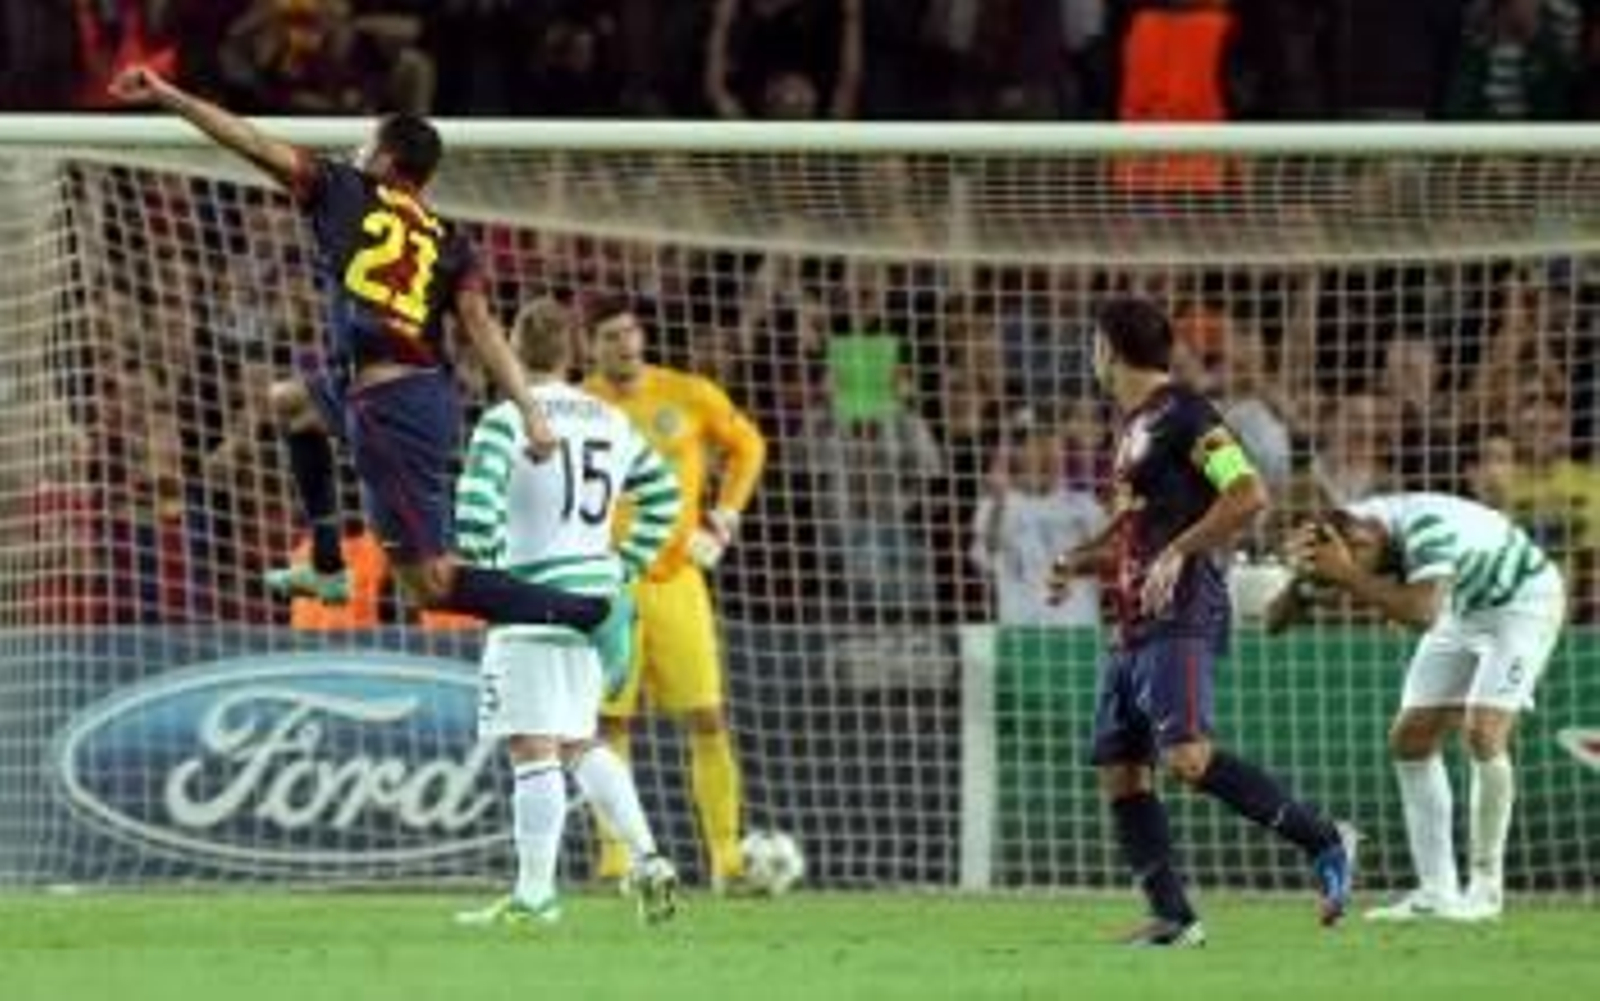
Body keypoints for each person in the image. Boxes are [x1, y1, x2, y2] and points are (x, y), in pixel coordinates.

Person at [108, 66, 609, 634]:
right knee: (291, 403)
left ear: (388, 163)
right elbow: (482, 327)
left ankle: (584, 612)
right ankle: (327, 565)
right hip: (391, 390)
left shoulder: (344, 188)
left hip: (392, 408)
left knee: (433, 586)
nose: (353, 150)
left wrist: (169, 94)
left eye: (364, 144)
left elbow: (247, 139)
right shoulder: (450, 239)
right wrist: (531, 410)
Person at [1048, 296, 1354, 947]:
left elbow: (1249, 493)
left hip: (1182, 606)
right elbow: (1133, 530)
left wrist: (1181, 550)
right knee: (1121, 767)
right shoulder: (1130, 427)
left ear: (1108, 347)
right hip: (1133, 617)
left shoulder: (1188, 414)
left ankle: (1324, 838)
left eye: (1092, 343)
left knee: (1186, 756)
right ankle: (1173, 916)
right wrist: (1075, 560)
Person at [454, 299, 683, 930]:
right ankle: (649, 857)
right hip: (595, 603)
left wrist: (490, 576)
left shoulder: (507, 419)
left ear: (511, 350)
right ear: (575, 351)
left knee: (533, 748)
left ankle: (534, 897)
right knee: (581, 741)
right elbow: (665, 496)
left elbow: (473, 514)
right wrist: (622, 566)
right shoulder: (610, 419)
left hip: (530, 603)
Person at [1271, 492, 1566, 922]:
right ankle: (1436, 892)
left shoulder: (1427, 528)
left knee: (1483, 731)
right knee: (1409, 740)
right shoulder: (1349, 533)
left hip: (1522, 601)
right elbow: (1273, 624)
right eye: (1350, 558)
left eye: (1361, 555)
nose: (1359, 564)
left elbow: (1422, 613)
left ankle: (1485, 894)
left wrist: (1349, 577)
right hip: (1463, 606)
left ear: (1370, 534)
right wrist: (1302, 579)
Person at [583, 294, 768, 891]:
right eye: (612, 336)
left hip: (677, 581)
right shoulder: (581, 405)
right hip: (608, 584)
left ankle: (727, 858)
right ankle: (617, 859)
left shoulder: (689, 393)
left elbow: (749, 447)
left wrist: (725, 518)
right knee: (610, 726)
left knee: (708, 718)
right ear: (594, 346)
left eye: (631, 333)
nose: (626, 345)